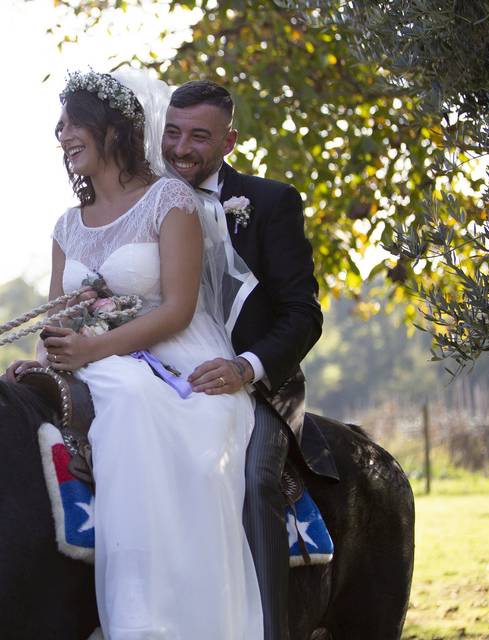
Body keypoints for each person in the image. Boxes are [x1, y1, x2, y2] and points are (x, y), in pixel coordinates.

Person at [8, 70, 262, 639]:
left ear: (111, 129)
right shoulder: (66, 225)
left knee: (133, 395)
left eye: (73, 122)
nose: (61, 134)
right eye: (61, 125)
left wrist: (94, 346)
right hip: (94, 357)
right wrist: (46, 359)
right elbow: (58, 316)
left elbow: (176, 308)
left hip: (178, 362)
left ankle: (155, 619)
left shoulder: (169, 201)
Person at [162, 80, 328, 640]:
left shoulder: (273, 202)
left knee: (255, 484)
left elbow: (304, 315)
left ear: (229, 141)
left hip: (254, 385)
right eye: (173, 132)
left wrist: (245, 368)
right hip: (162, 377)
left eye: (199, 137)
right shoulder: (146, 200)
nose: (182, 148)